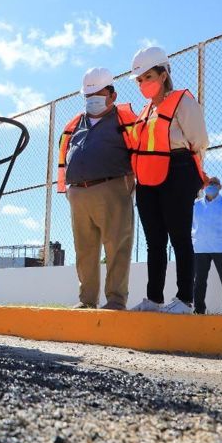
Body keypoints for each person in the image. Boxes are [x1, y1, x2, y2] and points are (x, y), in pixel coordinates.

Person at [128, 46, 208, 314]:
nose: (143, 84)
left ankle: (185, 299)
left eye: (148, 77)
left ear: (163, 75)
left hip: (178, 169)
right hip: (147, 177)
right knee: (154, 241)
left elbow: (199, 140)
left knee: (179, 237)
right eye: (139, 80)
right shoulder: (145, 111)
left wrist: (192, 177)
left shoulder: (182, 101)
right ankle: (154, 299)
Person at [56, 67, 137, 310]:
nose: (92, 101)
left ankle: (115, 299)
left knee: (117, 246)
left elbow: (139, 150)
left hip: (112, 188)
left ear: (112, 95)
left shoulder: (125, 120)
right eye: (87, 96)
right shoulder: (75, 124)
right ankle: (87, 300)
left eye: (97, 94)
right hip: (78, 193)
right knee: (85, 250)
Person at [192, 177, 222, 314]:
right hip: (200, 248)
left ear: (220, 187)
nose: (211, 185)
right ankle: (199, 309)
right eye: (209, 183)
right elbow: (191, 225)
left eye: (214, 183)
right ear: (204, 186)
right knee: (199, 281)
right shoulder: (196, 206)